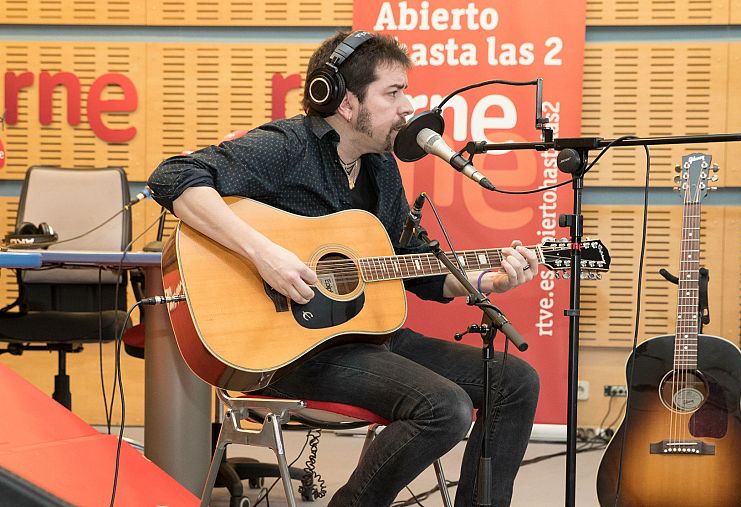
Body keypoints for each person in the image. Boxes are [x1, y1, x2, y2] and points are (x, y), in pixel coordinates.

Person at [148, 31, 540, 507]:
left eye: (405, 93)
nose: (407, 107)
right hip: (289, 347)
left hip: (367, 338)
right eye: (393, 93)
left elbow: (414, 264)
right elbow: (173, 176)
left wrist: (490, 280)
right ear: (344, 102)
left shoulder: (381, 168)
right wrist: (264, 255)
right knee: (444, 407)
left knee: (515, 380)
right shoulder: (286, 146)